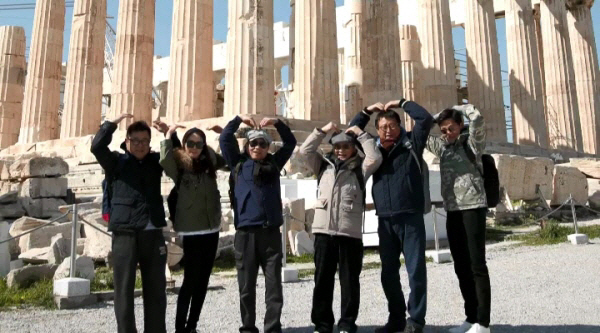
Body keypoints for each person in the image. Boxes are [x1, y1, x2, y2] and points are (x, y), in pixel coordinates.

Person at [349, 99, 433, 333]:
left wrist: (403, 102)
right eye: (383, 126)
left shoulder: (412, 143)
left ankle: (416, 320)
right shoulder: (372, 149)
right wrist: (366, 111)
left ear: (400, 126)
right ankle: (396, 318)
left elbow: (425, 119)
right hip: (385, 218)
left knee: (415, 271)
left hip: (411, 216)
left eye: (392, 126)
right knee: (388, 273)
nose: (388, 130)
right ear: (377, 129)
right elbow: (352, 130)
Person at [298, 122, 382, 333]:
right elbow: (305, 150)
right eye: (337, 147)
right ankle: (322, 324)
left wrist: (361, 135)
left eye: (346, 146)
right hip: (323, 232)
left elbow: (375, 157)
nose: (341, 150)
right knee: (322, 281)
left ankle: (347, 324)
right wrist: (322, 130)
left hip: (349, 232)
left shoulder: (360, 168)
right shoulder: (323, 166)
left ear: (353, 148)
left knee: (349, 282)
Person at [219, 115, 297, 333]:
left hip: (270, 232)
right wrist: (237, 120)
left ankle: (272, 327)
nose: (258, 147)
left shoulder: (274, 163)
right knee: (246, 286)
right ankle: (248, 327)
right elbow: (225, 139)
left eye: (263, 143)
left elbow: (290, 142)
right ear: (247, 145)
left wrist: (277, 122)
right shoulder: (237, 164)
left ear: (267, 147)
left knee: (274, 287)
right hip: (245, 233)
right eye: (253, 143)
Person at [90, 114, 167, 333]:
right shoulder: (116, 162)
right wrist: (111, 124)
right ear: (127, 142)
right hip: (125, 232)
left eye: (144, 141)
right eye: (136, 141)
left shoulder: (155, 161)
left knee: (156, 290)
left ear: (149, 143)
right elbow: (96, 146)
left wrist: (168, 134)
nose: (140, 145)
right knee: (123, 291)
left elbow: (175, 160)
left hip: (152, 232)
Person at [155, 121, 227, 333]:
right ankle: (180, 328)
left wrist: (225, 135)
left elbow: (228, 159)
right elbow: (164, 159)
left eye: (199, 143)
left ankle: (192, 326)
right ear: (184, 145)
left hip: (211, 228)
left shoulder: (210, 162)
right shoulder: (178, 165)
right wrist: (168, 135)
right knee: (190, 281)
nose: (194, 147)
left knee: (203, 281)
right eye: (191, 143)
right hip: (191, 230)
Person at [426, 105, 491, 333]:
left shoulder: (472, 143)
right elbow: (422, 132)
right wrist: (435, 118)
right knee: (461, 266)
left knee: (477, 265)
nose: (447, 133)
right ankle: (470, 317)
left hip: (473, 207)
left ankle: (483, 323)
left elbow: (478, 118)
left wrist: (458, 108)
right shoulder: (442, 147)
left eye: (451, 128)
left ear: (460, 125)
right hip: (452, 209)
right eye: (443, 129)